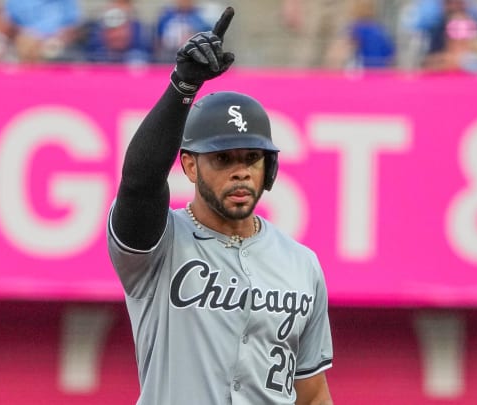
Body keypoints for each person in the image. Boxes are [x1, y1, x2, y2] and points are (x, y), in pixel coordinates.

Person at [107, 7, 334, 405]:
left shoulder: (302, 263)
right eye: (223, 159)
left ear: (270, 166)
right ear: (190, 165)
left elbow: (312, 393)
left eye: (252, 158)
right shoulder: (159, 245)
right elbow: (139, 182)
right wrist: (182, 87)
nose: (241, 171)